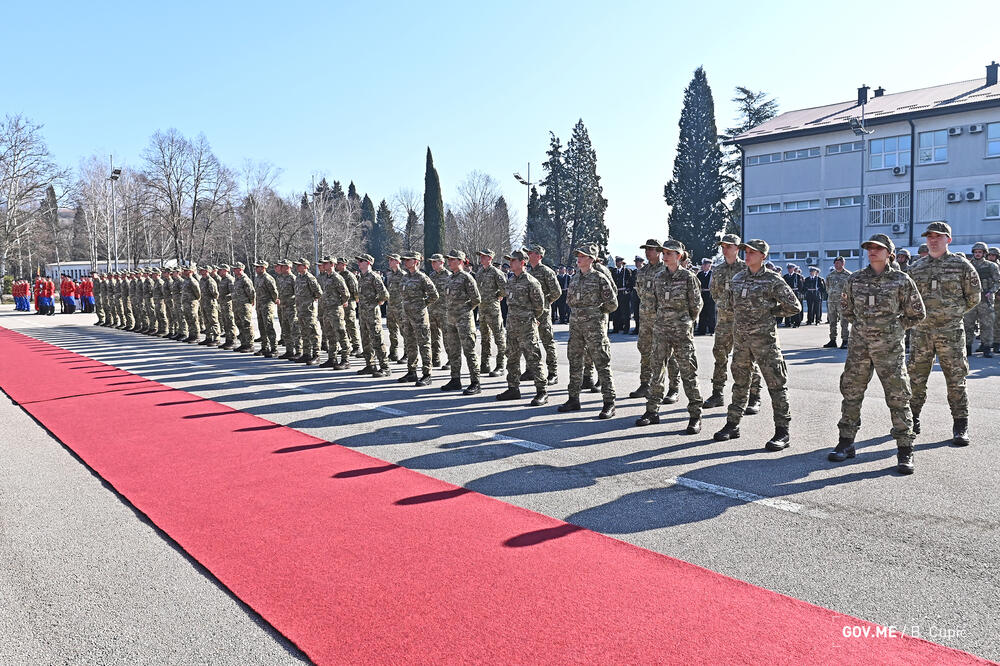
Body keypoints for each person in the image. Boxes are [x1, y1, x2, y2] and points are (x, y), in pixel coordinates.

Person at [827, 233, 925, 475]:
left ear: (889, 253)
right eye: (869, 247)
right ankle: (846, 442)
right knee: (851, 392)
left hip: (889, 349)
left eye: (878, 248)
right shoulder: (855, 279)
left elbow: (917, 313)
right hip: (859, 349)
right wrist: (863, 327)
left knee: (898, 397)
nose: (872, 251)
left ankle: (904, 448)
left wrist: (894, 328)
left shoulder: (902, 280)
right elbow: (846, 309)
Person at [713, 239, 801, 450]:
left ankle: (782, 432)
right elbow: (728, 303)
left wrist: (771, 314)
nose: (748, 255)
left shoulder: (773, 280)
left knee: (776, 385)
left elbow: (794, 306)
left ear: (763, 256)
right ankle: (732, 424)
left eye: (753, 252)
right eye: (746, 251)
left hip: (765, 341)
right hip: (741, 341)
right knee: (740, 383)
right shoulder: (738, 278)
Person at [906, 222, 980, 447]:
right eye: (929, 237)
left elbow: (973, 296)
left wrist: (951, 314)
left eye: (938, 236)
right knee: (916, 379)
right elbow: (906, 298)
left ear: (948, 239)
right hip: (922, 333)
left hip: (951, 333)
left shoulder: (962, 266)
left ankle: (960, 425)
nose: (933, 240)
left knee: (956, 380)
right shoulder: (915, 268)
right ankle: (912, 420)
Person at [635, 239, 703, 434]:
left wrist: (684, 321)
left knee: (688, 373)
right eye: (664, 252)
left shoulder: (688, 277)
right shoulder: (659, 277)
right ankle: (652, 411)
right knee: (657, 370)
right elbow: (653, 303)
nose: (665, 256)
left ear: (679, 256)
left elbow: (696, 305)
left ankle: (695, 416)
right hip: (661, 330)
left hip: (681, 331)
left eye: (670, 253)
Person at [558, 243, 618, 419]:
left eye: (583, 256)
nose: (579, 258)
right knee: (575, 361)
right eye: (578, 255)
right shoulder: (575, 278)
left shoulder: (599, 278)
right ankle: (573, 399)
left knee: (602, 363)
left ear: (591, 259)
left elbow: (612, 304)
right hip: (576, 327)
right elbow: (569, 300)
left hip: (594, 328)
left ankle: (609, 402)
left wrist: (595, 314)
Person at [704, 234, 762, 412]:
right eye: (723, 246)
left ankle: (754, 396)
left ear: (737, 249)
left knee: (748, 359)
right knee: (719, 357)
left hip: (743, 322)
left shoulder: (745, 268)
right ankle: (717, 393)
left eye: (729, 246)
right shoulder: (719, 270)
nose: (725, 249)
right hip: (724, 321)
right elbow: (714, 292)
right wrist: (725, 304)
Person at [495, 250, 548, 405]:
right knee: (511, 358)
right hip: (512, 327)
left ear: (522, 262)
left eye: (513, 261)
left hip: (527, 327)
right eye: (510, 261)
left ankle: (542, 391)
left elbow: (540, 306)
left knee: (534, 359)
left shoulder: (531, 282)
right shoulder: (510, 281)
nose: (510, 263)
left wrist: (532, 320)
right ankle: (513, 388)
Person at [439, 250, 482, 394]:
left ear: (460, 261)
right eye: (449, 260)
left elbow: (476, 299)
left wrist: (464, 310)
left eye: (452, 260)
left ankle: (475, 382)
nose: (449, 262)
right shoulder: (450, 278)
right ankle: (455, 380)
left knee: (469, 351)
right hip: (450, 320)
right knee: (453, 351)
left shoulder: (466, 278)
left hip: (464, 321)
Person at [397, 251, 438, 386]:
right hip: (407, 316)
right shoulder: (404, 277)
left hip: (419, 316)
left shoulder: (422, 278)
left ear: (415, 261)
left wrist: (422, 305)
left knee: (424, 344)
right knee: (410, 344)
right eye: (404, 260)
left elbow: (434, 295)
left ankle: (427, 374)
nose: (405, 262)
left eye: (408, 260)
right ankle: (412, 372)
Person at [526, 244, 562, 385]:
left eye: (531, 253)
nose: (529, 255)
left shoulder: (547, 271)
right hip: (531, 312)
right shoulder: (529, 272)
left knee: (547, 341)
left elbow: (557, 292)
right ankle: (531, 370)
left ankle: (553, 373)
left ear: (539, 256)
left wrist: (546, 302)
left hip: (543, 312)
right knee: (530, 342)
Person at [355, 254, 392, 377]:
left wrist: (377, 302)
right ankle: (370, 365)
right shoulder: (361, 277)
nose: (359, 263)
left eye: (361, 261)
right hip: (363, 314)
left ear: (368, 263)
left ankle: (385, 367)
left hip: (372, 314)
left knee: (377, 340)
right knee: (365, 340)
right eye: (359, 261)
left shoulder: (374, 277)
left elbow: (384, 294)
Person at [962, 241, 999, 358]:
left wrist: (991, 292)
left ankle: (987, 348)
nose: (977, 254)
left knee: (986, 325)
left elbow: (997, 281)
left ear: (984, 253)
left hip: (985, 299)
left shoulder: (991, 266)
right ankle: (967, 348)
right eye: (976, 252)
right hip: (970, 300)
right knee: (967, 325)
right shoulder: (968, 265)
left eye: (980, 252)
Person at [476, 249, 507, 377]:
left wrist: (498, 296)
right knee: (484, 337)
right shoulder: (480, 272)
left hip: (493, 308)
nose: (481, 258)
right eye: (481, 256)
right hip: (482, 309)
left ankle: (500, 365)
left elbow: (505, 289)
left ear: (490, 258)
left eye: (484, 257)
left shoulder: (496, 272)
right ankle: (485, 364)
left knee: (499, 337)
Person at [317, 257, 350, 368]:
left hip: (335, 310)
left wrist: (340, 303)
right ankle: (332, 358)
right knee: (330, 335)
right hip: (327, 310)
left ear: (332, 264)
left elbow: (346, 294)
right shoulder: (326, 277)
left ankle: (345, 360)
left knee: (341, 334)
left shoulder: (337, 277)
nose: (323, 265)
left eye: (326, 263)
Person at [293, 258, 323, 364]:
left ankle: (316, 355)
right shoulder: (298, 277)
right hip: (300, 309)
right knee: (304, 332)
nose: (297, 267)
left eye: (299, 265)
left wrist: (311, 300)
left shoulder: (310, 278)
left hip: (309, 310)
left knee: (313, 332)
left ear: (305, 266)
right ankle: (306, 354)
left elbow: (318, 292)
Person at [428, 254, 452, 368]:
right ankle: (435, 358)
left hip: (444, 310)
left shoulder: (448, 275)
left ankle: (452, 359)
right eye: (432, 262)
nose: (432, 264)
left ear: (442, 262)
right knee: (433, 336)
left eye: (435, 262)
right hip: (432, 310)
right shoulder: (431, 275)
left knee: (447, 336)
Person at [335, 258, 363, 357]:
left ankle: (356, 346)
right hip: (342, 302)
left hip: (349, 302)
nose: (336, 265)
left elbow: (355, 290)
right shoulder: (338, 275)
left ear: (343, 265)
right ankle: (347, 345)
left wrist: (355, 300)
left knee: (351, 324)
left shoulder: (349, 275)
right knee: (344, 325)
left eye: (338, 264)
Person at [823, 256, 852, 349]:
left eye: (838, 263)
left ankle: (845, 340)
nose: (836, 265)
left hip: (843, 302)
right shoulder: (830, 276)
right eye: (835, 263)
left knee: (844, 322)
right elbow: (827, 288)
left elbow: (850, 289)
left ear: (843, 264)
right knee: (832, 322)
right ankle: (832, 340)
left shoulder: (848, 275)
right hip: (831, 302)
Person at [275, 260, 301, 360]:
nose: (280, 268)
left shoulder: (293, 278)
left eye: (282, 266)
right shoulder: (280, 278)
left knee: (295, 330)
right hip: (283, 308)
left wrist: (286, 300)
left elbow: (297, 294)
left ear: (287, 267)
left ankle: (299, 351)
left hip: (292, 307)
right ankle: (289, 350)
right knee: (285, 330)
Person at [253, 261, 279, 356]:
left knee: (268, 326)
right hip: (259, 305)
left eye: (258, 267)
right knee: (261, 327)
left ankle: (274, 348)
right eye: (256, 267)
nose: (256, 269)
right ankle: (265, 347)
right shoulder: (257, 278)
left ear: (263, 268)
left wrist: (272, 301)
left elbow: (274, 292)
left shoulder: (268, 278)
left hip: (267, 305)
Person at [231, 262, 256, 352]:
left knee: (246, 324)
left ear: (240, 269)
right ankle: (243, 343)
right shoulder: (237, 279)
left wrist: (250, 302)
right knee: (239, 324)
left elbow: (251, 293)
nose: (234, 270)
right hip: (237, 305)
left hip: (244, 305)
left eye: (236, 269)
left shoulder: (245, 279)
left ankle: (249, 344)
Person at [385, 254, 405, 362]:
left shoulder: (403, 275)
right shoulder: (389, 275)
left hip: (400, 307)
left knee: (404, 331)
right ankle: (393, 353)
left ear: (398, 261)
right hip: (391, 306)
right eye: (389, 260)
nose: (390, 261)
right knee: (392, 331)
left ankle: (407, 353)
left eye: (392, 260)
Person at [216, 265, 238, 349]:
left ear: (225, 271)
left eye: (221, 270)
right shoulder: (223, 279)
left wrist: (226, 297)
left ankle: (232, 340)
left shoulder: (230, 279)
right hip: (223, 304)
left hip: (228, 304)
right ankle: (228, 340)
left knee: (230, 322)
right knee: (225, 321)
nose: (219, 271)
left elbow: (233, 292)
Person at [198, 266, 220, 346]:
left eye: (202, 270)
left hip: (210, 303)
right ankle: (209, 337)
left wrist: (211, 301)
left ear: (207, 271)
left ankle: (216, 337)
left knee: (213, 321)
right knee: (206, 321)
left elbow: (215, 294)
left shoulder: (210, 281)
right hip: (204, 303)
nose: (200, 271)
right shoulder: (201, 280)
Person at [610, 256, 633, 333]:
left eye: (619, 261)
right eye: (616, 261)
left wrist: (628, 290)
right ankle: (615, 328)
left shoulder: (626, 271)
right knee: (616, 311)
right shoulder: (614, 271)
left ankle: (626, 328)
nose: (617, 263)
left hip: (624, 293)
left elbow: (630, 282)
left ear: (622, 263)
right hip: (616, 293)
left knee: (625, 312)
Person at [179, 264, 202, 343]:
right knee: (188, 318)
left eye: (186, 270)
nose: (184, 272)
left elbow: (198, 293)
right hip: (186, 303)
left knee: (193, 319)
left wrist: (194, 300)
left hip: (192, 303)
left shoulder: (193, 281)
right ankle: (191, 335)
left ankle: (196, 336)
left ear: (191, 271)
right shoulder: (186, 280)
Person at [695, 258, 715, 335]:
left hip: (710, 295)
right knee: (702, 312)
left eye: (704, 264)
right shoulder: (700, 274)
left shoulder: (712, 274)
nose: (703, 266)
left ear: (709, 265)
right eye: (703, 264)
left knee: (711, 313)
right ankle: (701, 329)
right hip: (702, 294)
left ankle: (711, 330)